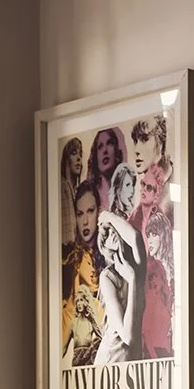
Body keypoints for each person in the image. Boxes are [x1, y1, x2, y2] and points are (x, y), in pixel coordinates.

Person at [94, 210, 146, 364]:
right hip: (110, 361)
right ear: (104, 245)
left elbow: (136, 237)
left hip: (131, 361)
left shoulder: (137, 267)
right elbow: (127, 336)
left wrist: (108, 216)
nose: (112, 233)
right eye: (107, 233)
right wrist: (132, 280)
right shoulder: (107, 277)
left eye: (115, 229)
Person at [61, 179, 103, 355]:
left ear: (99, 212)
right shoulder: (72, 261)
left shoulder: (111, 254)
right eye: (80, 214)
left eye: (90, 211)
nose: (85, 221)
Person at [86, 126, 124, 209]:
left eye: (109, 143)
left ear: (116, 150)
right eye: (100, 146)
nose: (105, 150)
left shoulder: (124, 192)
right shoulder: (91, 196)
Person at [59, 136, 83, 247]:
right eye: (74, 153)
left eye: (80, 154)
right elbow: (68, 235)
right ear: (66, 159)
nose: (79, 158)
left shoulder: (75, 191)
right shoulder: (63, 186)